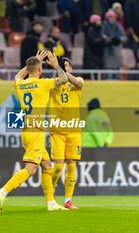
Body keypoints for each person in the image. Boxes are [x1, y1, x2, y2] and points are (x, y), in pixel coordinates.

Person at [0, 50, 68, 212]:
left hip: (27, 130)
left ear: (29, 69)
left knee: (47, 165)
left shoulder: (22, 84)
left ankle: (51, 203)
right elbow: (64, 79)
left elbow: (18, 76)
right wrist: (55, 65)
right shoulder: (43, 83)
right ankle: (2, 191)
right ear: (40, 69)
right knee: (31, 169)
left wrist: (34, 61)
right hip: (36, 132)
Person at [49, 57, 84, 209]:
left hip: (74, 131)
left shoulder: (78, 82)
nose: (63, 69)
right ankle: (50, 193)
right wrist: (58, 69)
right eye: (61, 67)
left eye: (66, 67)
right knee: (58, 166)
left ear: (70, 69)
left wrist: (58, 67)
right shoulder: (52, 84)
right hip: (57, 131)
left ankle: (68, 200)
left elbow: (76, 82)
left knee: (71, 165)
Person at [103, 11, 127, 80]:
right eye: (111, 17)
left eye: (114, 17)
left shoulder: (119, 26)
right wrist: (110, 39)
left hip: (117, 53)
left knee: (117, 76)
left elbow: (124, 37)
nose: (113, 19)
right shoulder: (104, 26)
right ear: (108, 18)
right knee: (109, 75)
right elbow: (102, 38)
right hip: (108, 53)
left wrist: (119, 39)